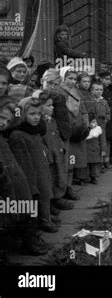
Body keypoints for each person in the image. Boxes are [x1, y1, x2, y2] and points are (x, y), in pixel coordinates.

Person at [0, 95, 50, 255]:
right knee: (20, 213)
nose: (3, 123)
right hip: (15, 180)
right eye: (2, 118)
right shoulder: (16, 136)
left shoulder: (11, 135)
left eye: (7, 121)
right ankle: (26, 244)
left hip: (20, 179)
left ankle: (29, 241)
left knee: (28, 212)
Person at [9, 97, 57, 233]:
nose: (36, 117)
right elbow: (23, 161)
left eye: (38, 114)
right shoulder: (18, 135)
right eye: (32, 114)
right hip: (32, 173)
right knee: (37, 196)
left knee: (45, 193)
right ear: (23, 114)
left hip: (41, 168)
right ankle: (41, 223)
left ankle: (46, 218)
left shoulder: (34, 130)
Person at [37, 90, 74, 215]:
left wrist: (62, 146)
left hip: (57, 153)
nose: (52, 108)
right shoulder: (40, 122)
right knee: (50, 178)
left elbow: (57, 134)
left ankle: (58, 198)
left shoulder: (51, 120)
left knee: (59, 175)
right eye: (48, 105)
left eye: (52, 105)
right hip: (49, 156)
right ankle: (51, 202)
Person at [58, 67, 89, 187]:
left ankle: (69, 186)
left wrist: (85, 122)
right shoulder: (59, 91)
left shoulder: (76, 91)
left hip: (78, 129)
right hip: (66, 129)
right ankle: (64, 187)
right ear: (63, 78)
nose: (72, 81)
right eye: (69, 78)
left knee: (74, 159)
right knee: (66, 161)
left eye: (75, 79)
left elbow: (83, 108)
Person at [90, 80, 111, 173]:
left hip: (102, 125)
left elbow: (108, 113)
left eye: (101, 90)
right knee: (95, 144)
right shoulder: (90, 100)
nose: (99, 91)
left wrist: (106, 120)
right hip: (93, 125)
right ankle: (95, 164)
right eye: (97, 89)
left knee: (103, 144)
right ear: (92, 90)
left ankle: (102, 163)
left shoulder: (104, 101)